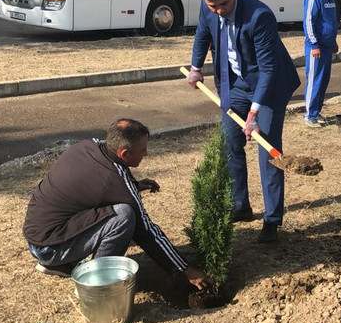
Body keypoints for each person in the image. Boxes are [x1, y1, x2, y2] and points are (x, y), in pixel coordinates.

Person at [23, 118, 211, 290]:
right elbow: (147, 232)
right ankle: (96, 283)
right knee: (124, 216)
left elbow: (96, 187)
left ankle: (60, 265)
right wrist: (184, 269)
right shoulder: (116, 182)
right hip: (49, 249)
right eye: (142, 150)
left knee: (120, 211)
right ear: (125, 153)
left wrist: (135, 186)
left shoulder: (87, 146)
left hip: (37, 236)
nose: (146, 153)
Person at [186, 0, 300, 244]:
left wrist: (254, 113)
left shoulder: (259, 16)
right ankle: (240, 205)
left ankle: (272, 220)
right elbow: (203, 34)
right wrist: (195, 67)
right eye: (212, 6)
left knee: (268, 151)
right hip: (237, 85)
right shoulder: (209, 8)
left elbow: (269, 69)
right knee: (230, 142)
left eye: (223, 4)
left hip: (268, 87)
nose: (218, 11)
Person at [302, 0, 341, 127]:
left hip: (327, 46)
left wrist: (333, 41)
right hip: (316, 48)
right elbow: (308, 21)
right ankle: (309, 116)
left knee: (323, 80)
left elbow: (330, 21)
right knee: (314, 80)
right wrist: (314, 44)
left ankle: (316, 111)